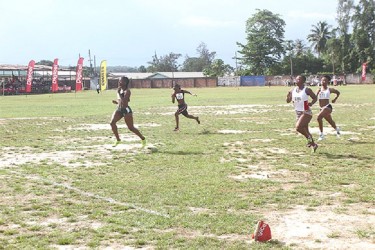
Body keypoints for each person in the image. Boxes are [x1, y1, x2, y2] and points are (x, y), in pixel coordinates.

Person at [110, 76, 146, 147]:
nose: (119, 82)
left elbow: (125, 103)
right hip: (119, 109)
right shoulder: (119, 90)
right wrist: (117, 102)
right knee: (112, 123)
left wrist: (119, 94)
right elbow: (121, 101)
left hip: (126, 110)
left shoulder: (127, 91)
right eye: (119, 81)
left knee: (131, 128)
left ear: (125, 83)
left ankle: (143, 139)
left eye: (121, 81)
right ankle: (118, 140)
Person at [286, 75, 318, 152]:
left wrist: (311, 103)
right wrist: (288, 96)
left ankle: (312, 143)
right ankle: (311, 143)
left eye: (299, 79)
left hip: (306, 111)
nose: (296, 80)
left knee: (298, 127)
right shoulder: (292, 90)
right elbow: (288, 101)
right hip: (297, 112)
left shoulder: (307, 90)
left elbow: (315, 98)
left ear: (303, 81)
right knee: (305, 130)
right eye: (296, 79)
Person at [316, 75, 341, 141]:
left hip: (327, 107)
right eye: (322, 80)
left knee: (318, 118)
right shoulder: (319, 90)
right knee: (330, 121)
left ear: (328, 82)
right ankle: (337, 129)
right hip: (321, 108)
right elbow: (315, 98)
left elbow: (338, 92)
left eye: (324, 80)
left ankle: (321, 135)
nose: (323, 82)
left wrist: (335, 99)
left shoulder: (329, 89)